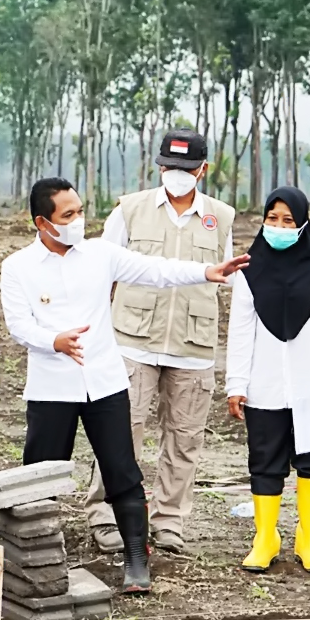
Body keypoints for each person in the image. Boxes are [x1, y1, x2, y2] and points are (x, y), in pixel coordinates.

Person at [0, 177, 248, 595]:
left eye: (80, 211)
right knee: (40, 475)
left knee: (123, 472)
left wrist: (208, 271)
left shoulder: (100, 254)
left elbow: (157, 270)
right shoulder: (17, 266)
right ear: (43, 222)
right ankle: (31, 557)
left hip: (105, 383)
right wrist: (53, 341)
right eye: (68, 215)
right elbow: (18, 324)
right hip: (52, 387)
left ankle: (136, 560)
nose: (79, 220)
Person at [85, 129, 236, 554]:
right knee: (120, 434)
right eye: (171, 167)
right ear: (159, 166)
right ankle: (105, 515)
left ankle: (170, 521)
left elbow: (224, 277)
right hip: (131, 342)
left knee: (185, 438)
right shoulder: (129, 211)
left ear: (203, 171)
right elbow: (102, 274)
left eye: (187, 169)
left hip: (193, 344)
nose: (178, 175)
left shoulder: (221, 217)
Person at [225, 187, 310, 574]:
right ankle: (265, 538)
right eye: (272, 218)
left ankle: (308, 538)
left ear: (302, 224)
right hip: (264, 385)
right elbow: (240, 328)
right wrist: (237, 383)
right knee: (264, 462)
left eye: (288, 220)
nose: (279, 226)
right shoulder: (250, 267)